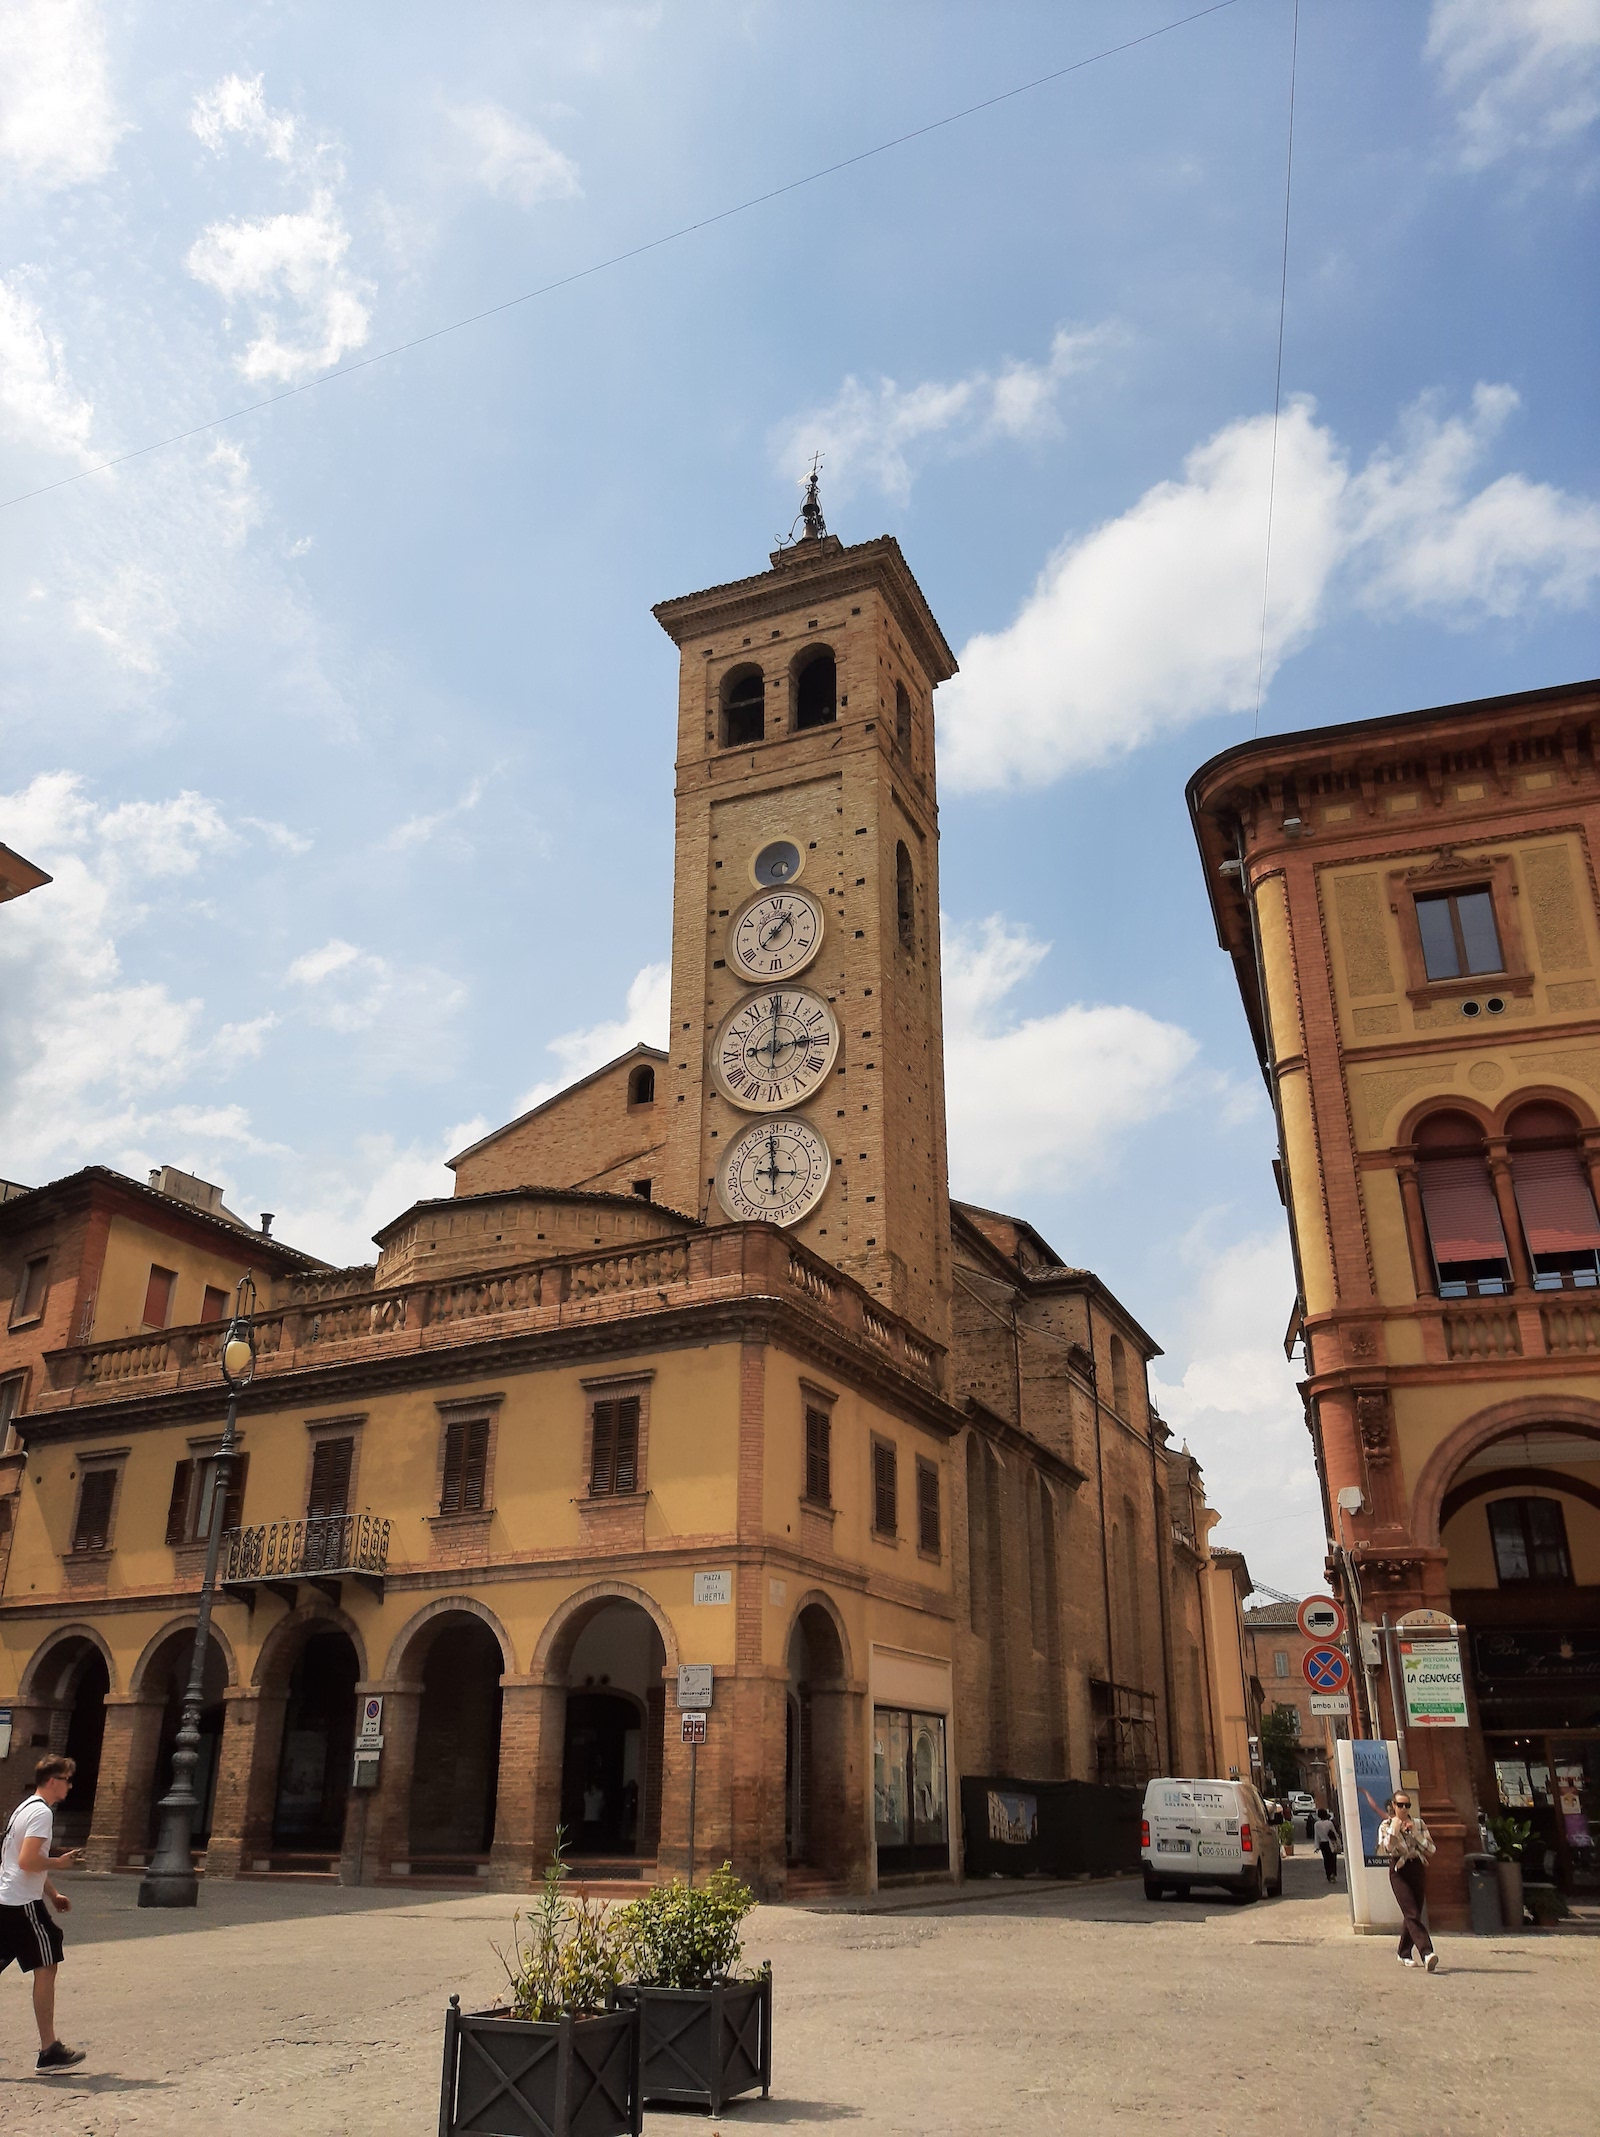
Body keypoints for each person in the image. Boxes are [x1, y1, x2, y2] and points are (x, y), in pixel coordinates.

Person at [1, 1754, 86, 2071]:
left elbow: (15, 1859)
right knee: (47, 1961)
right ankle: (49, 2049)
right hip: (21, 1903)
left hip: (7, 1899)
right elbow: (27, 1861)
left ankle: (50, 2048)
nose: (70, 1786)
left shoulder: (24, 1807)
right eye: (66, 1780)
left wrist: (52, 1893)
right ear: (53, 1781)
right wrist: (59, 1863)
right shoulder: (40, 1813)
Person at [1377, 1790, 1438, 1972]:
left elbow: (1432, 1849)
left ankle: (1403, 1952)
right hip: (1399, 1869)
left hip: (1416, 1866)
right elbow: (1386, 1848)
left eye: (1407, 1805)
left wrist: (1415, 1835)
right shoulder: (1385, 1825)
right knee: (1410, 1911)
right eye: (1400, 1805)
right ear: (1393, 1806)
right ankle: (1426, 1952)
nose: (1404, 1809)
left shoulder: (1418, 1824)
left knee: (1414, 1913)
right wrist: (1395, 1828)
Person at [1312, 1806, 1341, 1884]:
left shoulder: (1316, 1824)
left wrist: (1317, 1847)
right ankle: (1333, 1874)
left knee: (1326, 1860)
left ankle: (1328, 1875)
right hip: (1331, 1843)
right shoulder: (1329, 1823)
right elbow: (1334, 1833)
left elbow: (1316, 1836)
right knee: (1333, 1859)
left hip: (1323, 1844)